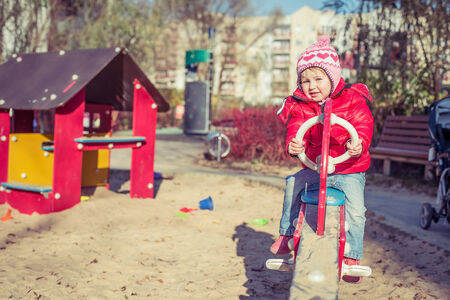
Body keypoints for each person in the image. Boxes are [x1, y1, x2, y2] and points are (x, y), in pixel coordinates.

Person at [271, 35, 374, 283]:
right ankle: (287, 234)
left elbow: (363, 123)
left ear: (333, 77)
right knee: (292, 183)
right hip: (317, 168)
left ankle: (352, 256)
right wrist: (295, 144)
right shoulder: (302, 105)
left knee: (357, 211)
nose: (311, 86)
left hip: (348, 169)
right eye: (305, 80)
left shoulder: (352, 99)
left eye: (318, 79)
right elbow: (297, 128)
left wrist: (357, 142)